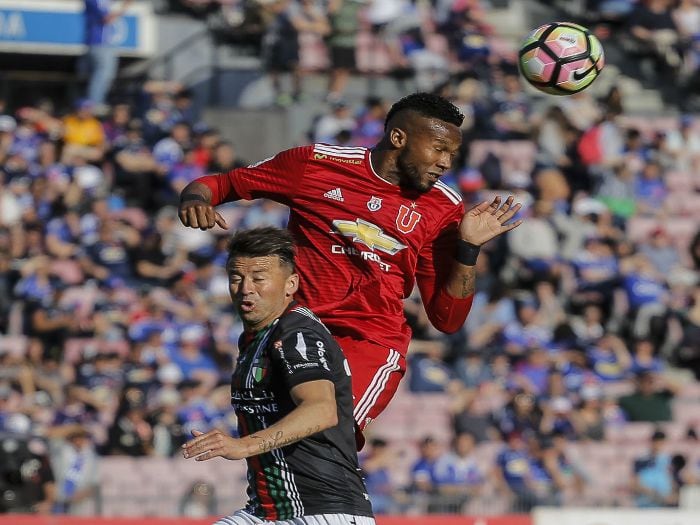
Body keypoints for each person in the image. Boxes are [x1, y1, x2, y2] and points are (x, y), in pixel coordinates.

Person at [178, 92, 522, 433]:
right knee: (272, 451)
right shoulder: (315, 165)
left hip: (369, 340)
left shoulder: (443, 207)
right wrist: (196, 199)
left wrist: (467, 250)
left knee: (325, 435)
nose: (446, 163)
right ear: (398, 137)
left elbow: (447, 319)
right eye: (438, 148)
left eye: (452, 153)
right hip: (292, 328)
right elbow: (221, 184)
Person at [182, 227, 374, 524]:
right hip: (268, 511)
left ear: (291, 284)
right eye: (236, 278)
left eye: (259, 278)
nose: (246, 288)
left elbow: (322, 410)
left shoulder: (296, 333)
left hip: (323, 512)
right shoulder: (255, 338)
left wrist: (243, 445)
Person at [83, 0, 134, 106]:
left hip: (105, 43)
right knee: (102, 74)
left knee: (107, 75)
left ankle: (97, 102)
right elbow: (108, 18)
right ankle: (94, 104)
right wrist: (124, 7)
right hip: (98, 43)